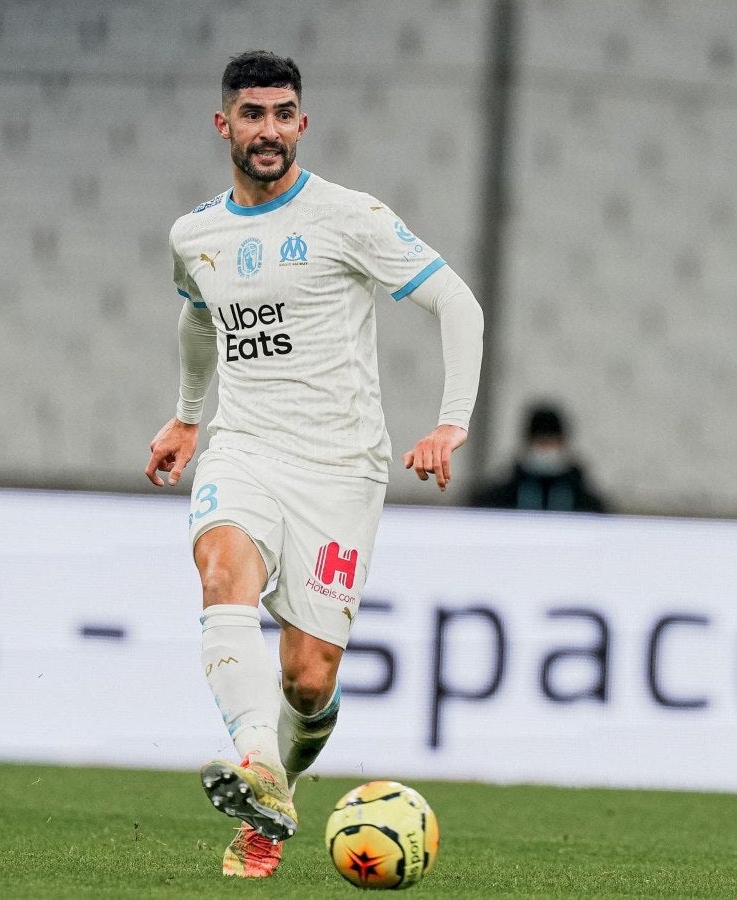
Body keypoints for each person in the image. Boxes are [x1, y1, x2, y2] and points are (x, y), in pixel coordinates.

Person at [144, 49, 483, 879]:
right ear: (224, 124)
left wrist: (449, 424)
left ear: (303, 122)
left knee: (308, 675)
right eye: (252, 114)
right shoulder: (197, 233)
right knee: (221, 568)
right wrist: (190, 420)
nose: (269, 130)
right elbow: (198, 320)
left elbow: (456, 302)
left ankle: (277, 789)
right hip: (246, 446)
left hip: (342, 468)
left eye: (283, 113)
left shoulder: (349, 217)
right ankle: (256, 763)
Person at [469, 403, 608, 512]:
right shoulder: (499, 498)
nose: (546, 450)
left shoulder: (586, 501)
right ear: (528, 444)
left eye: (551, 443)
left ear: (563, 445)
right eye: (541, 443)